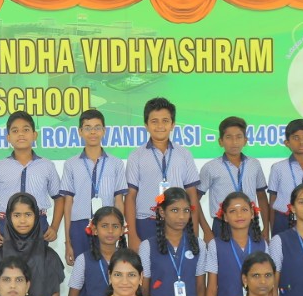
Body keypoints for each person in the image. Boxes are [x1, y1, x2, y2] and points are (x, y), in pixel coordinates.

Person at [125, 97, 200, 250]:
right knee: (147, 264)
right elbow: (130, 197)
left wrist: (194, 231)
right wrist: (132, 235)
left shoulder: (184, 154)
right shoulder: (136, 156)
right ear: (146, 125)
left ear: (173, 124)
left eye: (165, 121)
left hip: (178, 221)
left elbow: (192, 194)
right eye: (154, 121)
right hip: (146, 221)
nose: (160, 126)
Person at [0, 111, 62, 245]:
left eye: (26, 130)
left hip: (38, 224)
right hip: (6, 226)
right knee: (7, 259)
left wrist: (54, 227)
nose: (20, 134)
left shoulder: (47, 165)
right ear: (8, 137)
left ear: (34, 135)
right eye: (15, 131)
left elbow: (59, 199)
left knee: (38, 259)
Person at [61, 108, 127, 263]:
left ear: (104, 131)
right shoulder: (71, 164)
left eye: (97, 127)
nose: (92, 132)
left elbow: (119, 201)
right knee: (82, 269)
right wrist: (68, 242)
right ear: (80, 132)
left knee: (108, 268)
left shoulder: (116, 163)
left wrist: (120, 233)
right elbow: (68, 203)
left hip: (108, 225)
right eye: (87, 128)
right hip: (79, 225)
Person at [0, 193, 65, 296]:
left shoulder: (49, 256)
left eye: (28, 214)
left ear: (36, 217)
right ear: (9, 218)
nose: (22, 220)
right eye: (17, 215)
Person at [197, 116, 269, 241]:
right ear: (220, 141)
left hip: (251, 224)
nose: (234, 142)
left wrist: (267, 228)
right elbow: (194, 199)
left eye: (239, 137)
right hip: (222, 225)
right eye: (229, 137)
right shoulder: (210, 167)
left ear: (245, 140)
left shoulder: (254, 164)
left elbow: (262, 197)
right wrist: (206, 231)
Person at [205, 191, 267, 296]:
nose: (239, 215)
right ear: (225, 217)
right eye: (233, 211)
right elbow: (212, 288)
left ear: (252, 214)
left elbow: (270, 284)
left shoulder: (262, 244)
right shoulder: (216, 245)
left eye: (244, 210)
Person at [68, 206, 128, 296]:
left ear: (122, 230)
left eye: (115, 226)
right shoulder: (83, 259)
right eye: (104, 226)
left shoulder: (130, 259)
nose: (110, 231)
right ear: (95, 230)